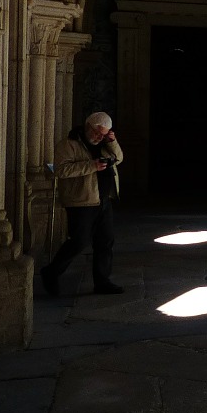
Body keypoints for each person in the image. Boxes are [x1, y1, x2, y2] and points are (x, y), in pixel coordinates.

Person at [41, 111, 124, 295]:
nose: (98, 137)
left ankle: (102, 281)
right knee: (78, 242)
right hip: (81, 201)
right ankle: (50, 272)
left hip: (103, 200)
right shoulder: (68, 144)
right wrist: (91, 166)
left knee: (105, 242)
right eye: (96, 132)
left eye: (103, 134)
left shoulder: (105, 144)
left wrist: (112, 141)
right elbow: (61, 170)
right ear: (88, 126)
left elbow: (119, 158)